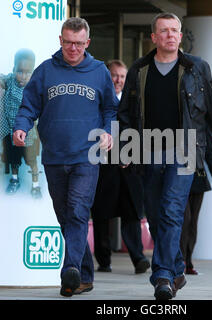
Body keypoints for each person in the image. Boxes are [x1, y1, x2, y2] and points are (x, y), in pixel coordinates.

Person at [117, 12, 212, 300]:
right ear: (154, 37)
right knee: (156, 217)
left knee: (171, 212)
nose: (170, 35)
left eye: (174, 30)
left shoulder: (197, 68)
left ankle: (162, 277)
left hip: (184, 151)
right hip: (148, 151)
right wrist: (125, 148)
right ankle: (177, 267)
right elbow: (125, 115)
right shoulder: (139, 69)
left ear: (180, 36)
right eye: (164, 31)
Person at [12, 17, 118, 297]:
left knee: (78, 211)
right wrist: (21, 127)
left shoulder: (99, 71)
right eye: (68, 43)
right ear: (60, 40)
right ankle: (83, 276)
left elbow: (111, 109)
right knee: (66, 217)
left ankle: (69, 270)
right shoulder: (46, 70)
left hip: (87, 156)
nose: (73, 48)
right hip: (54, 156)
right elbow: (28, 105)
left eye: (79, 44)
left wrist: (109, 132)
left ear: (88, 43)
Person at [91, 59, 150, 274]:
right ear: (107, 76)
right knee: (101, 214)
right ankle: (104, 260)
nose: (118, 80)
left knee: (132, 212)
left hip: (129, 165)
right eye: (114, 75)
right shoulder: (99, 99)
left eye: (122, 76)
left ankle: (138, 258)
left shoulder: (134, 100)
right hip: (104, 165)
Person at [0, 49, 42, 198]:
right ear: (14, 69)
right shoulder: (9, 80)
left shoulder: (36, 87)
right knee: (13, 158)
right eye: (19, 71)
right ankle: (14, 180)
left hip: (29, 133)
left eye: (27, 72)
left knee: (31, 160)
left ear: (33, 72)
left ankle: (36, 185)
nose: (23, 76)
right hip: (11, 130)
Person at [180, 130, 212, 275]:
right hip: (177, 177)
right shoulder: (178, 120)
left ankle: (187, 260)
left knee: (192, 221)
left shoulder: (202, 126)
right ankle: (180, 260)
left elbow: (209, 153)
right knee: (184, 220)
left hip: (198, 178)